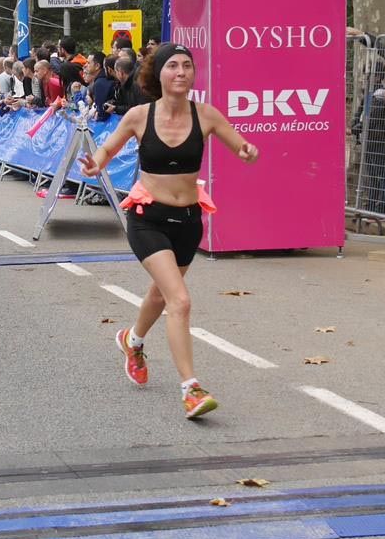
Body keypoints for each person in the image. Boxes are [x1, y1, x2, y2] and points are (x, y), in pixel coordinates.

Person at [79, 43, 259, 419]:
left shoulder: (206, 115)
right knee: (180, 300)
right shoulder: (139, 116)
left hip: (189, 221)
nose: (181, 72)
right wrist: (95, 164)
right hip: (148, 218)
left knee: (161, 295)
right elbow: (107, 150)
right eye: (173, 66)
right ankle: (191, 389)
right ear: (158, 74)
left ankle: (133, 340)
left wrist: (247, 151)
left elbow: (240, 146)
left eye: (187, 66)